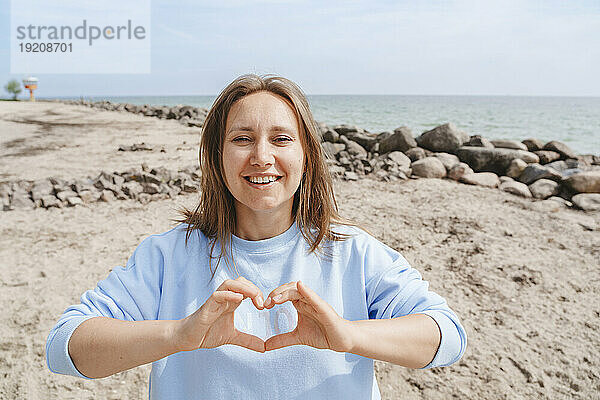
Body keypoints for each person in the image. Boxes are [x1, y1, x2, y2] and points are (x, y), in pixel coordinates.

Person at [46, 74, 467, 399]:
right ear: (217, 154)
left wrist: (350, 335)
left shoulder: (353, 252)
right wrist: (178, 335)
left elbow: (446, 336)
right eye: (242, 139)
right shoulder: (169, 254)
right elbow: (66, 346)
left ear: (307, 156)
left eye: (281, 139)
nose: (261, 156)